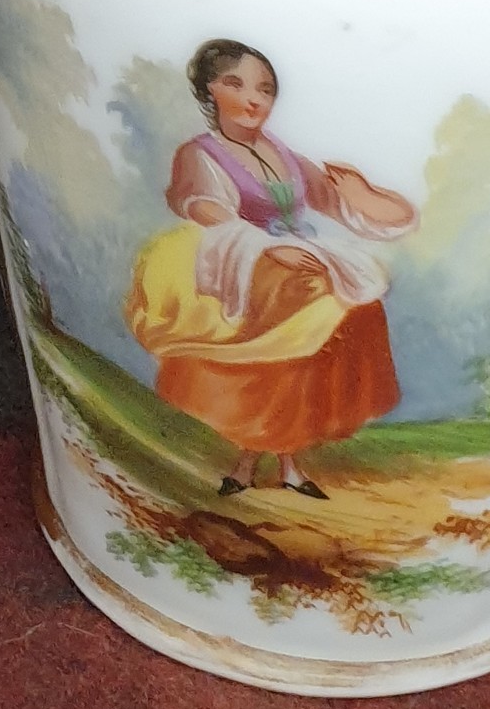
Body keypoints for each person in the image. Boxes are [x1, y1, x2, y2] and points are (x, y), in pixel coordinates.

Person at [126, 38, 415, 494]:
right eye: (235, 84)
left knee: (326, 333)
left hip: (294, 265)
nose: (252, 99)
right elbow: (207, 210)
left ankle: (280, 466)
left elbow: (340, 205)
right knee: (277, 351)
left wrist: (361, 194)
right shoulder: (200, 154)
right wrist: (264, 248)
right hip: (242, 268)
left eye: (264, 89)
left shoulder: (285, 156)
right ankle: (255, 465)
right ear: (209, 90)